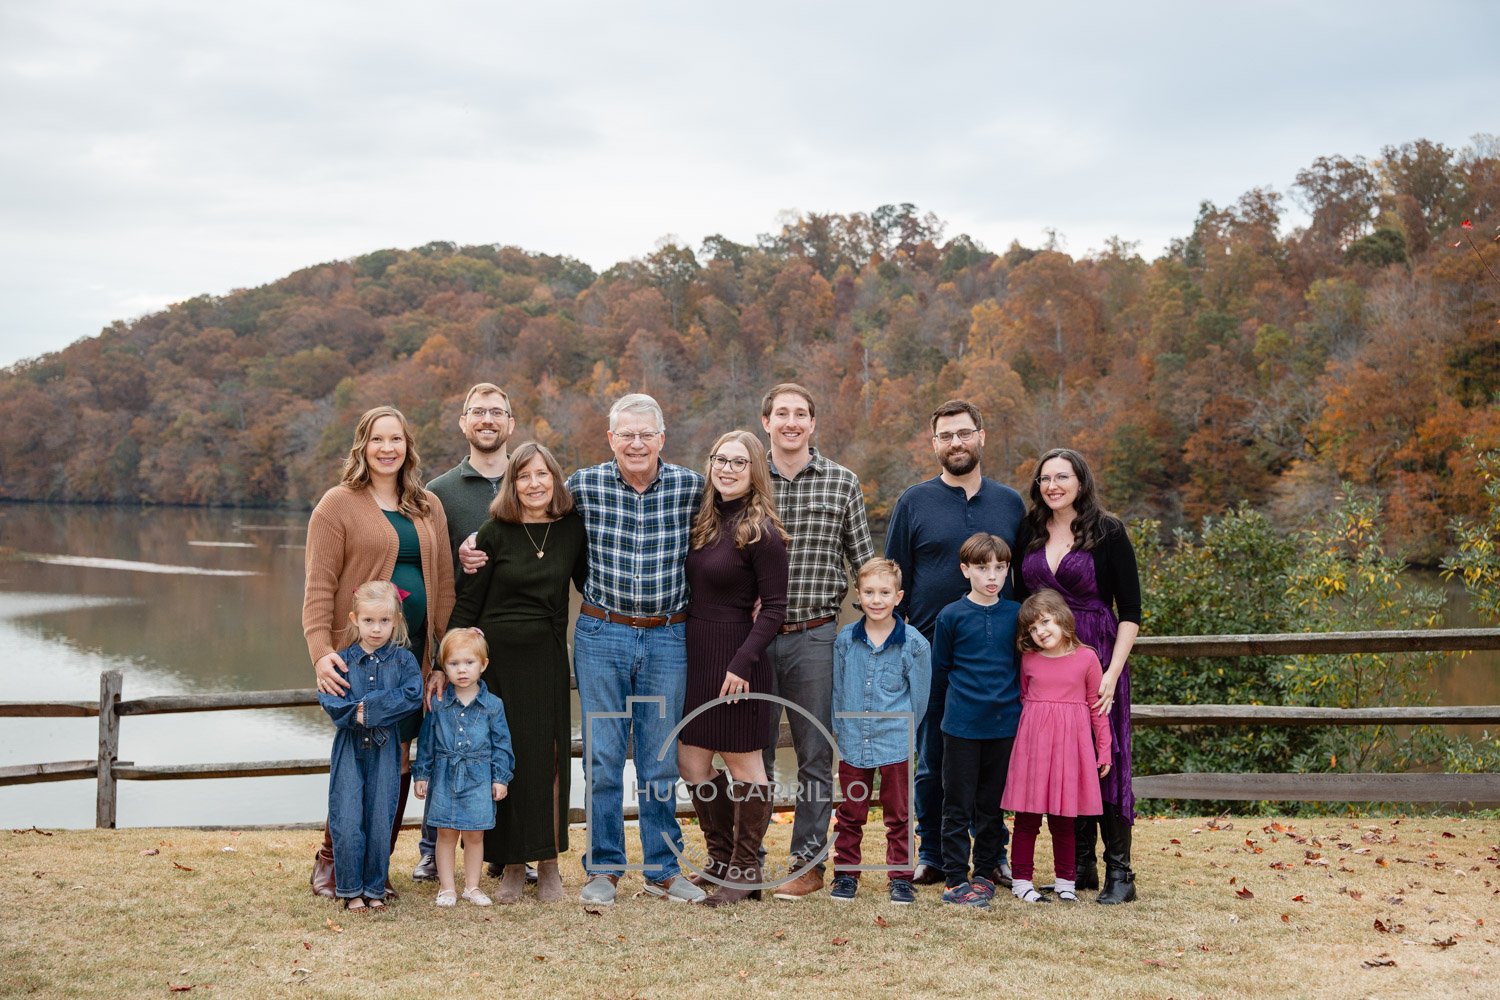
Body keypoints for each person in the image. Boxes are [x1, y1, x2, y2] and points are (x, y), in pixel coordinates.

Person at [307, 405, 455, 898]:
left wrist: (437, 660)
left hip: (409, 661)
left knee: (400, 760)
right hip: (359, 657)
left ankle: (376, 868)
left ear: (409, 447)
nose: (387, 448)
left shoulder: (428, 504)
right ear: (362, 446)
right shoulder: (338, 504)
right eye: (377, 440)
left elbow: (445, 588)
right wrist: (320, 650)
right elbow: (319, 585)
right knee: (357, 759)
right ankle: (331, 862)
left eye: (396, 439)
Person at [567, 393, 707, 906]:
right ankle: (603, 867)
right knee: (602, 757)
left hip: (670, 635)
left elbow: (731, 537)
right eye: (626, 434)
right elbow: (532, 523)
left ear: (662, 439)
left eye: (646, 434)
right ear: (610, 439)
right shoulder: (583, 486)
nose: (636, 443)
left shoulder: (692, 487)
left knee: (659, 759)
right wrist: (476, 549)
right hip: (602, 634)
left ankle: (663, 869)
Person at [884, 400, 1025, 887]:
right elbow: (894, 576)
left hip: (995, 654)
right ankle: (936, 854)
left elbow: (1021, 582)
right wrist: (898, 641)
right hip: (928, 653)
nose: (956, 443)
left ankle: (993, 854)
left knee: (993, 759)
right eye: (946, 436)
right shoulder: (914, 502)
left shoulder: (1008, 503)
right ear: (934, 444)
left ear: (982, 437)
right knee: (933, 758)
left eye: (964, 433)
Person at [447, 443, 587, 904]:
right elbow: (469, 602)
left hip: (546, 657)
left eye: (543, 474)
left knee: (547, 759)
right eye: (524, 475)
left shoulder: (571, 529)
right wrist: (445, 661)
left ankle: (548, 864)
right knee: (504, 759)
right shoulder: (495, 531)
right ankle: (510, 865)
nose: (534, 484)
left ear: (555, 479)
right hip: (497, 661)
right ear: (512, 482)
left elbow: (592, 584)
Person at [757, 383, 875, 901]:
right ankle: (744, 858)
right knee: (750, 752)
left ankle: (807, 864)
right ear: (765, 421)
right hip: (752, 641)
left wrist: (881, 624)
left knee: (813, 755)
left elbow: (864, 562)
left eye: (800, 414)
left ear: (812, 423)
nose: (790, 422)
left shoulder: (841, 483)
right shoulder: (743, 477)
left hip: (815, 634)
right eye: (781, 413)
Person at [1012, 447, 1141, 904]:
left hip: (1097, 655)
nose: (1053, 486)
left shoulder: (1108, 531)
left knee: (1108, 756)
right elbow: (1017, 600)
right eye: (1045, 478)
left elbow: (1130, 611)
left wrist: (1112, 671)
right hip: (1047, 656)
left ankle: (1119, 873)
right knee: (1064, 754)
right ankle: (1079, 866)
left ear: (1081, 482)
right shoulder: (1029, 530)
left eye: (1063, 477)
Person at [678, 430, 790, 907]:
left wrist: (742, 662)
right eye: (720, 459)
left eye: (738, 463)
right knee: (692, 761)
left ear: (754, 470)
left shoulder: (762, 531)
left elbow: (776, 609)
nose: (726, 469)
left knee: (746, 766)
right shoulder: (701, 520)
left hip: (739, 661)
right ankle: (721, 859)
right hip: (698, 654)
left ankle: (746, 870)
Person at [417, 382, 514, 884]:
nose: (487, 420)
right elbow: (431, 570)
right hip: (458, 640)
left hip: (514, 637)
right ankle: (432, 850)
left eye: (497, 412)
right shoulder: (439, 492)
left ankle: (504, 848)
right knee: (445, 732)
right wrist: (438, 654)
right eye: (478, 412)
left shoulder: (529, 483)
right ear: (464, 422)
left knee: (496, 738)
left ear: (510, 424)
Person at [827, 558, 929, 905]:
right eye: (869, 592)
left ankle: (900, 878)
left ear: (898, 596)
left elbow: (921, 697)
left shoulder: (914, 644)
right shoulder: (845, 640)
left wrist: (907, 734)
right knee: (850, 812)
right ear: (858, 594)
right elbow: (838, 689)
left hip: (895, 741)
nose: (876, 599)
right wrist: (840, 727)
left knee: (899, 814)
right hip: (854, 739)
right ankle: (845, 875)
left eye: (884, 593)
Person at [317, 581, 424, 911]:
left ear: (396, 621)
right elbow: (330, 699)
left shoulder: (404, 662)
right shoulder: (342, 660)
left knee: (380, 817)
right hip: (349, 747)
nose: (376, 629)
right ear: (354, 619)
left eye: (384, 622)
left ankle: (375, 887)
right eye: (368, 621)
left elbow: (412, 695)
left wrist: (369, 708)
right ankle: (350, 889)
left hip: (385, 749)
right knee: (347, 817)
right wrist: (355, 713)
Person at [1002, 591, 1112, 904]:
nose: (1041, 632)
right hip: (1033, 748)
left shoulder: (1087, 658)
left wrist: (1103, 749)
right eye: (1033, 629)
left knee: (1065, 817)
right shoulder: (1029, 659)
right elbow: (1025, 696)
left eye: (1046, 622)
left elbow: (1096, 706)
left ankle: (1066, 882)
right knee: (1027, 818)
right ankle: (1021, 881)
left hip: (1070, 748)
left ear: (1062, 619)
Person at [933, 533, 1021, 909]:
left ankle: (985, 872)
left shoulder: (1017, 614)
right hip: (962, 725)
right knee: (957, 802)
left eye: (1000, 568)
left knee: (991, 805)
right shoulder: (950, 616)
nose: (992, 576)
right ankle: (955, 876)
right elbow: (942, 669)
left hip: (1004, 725)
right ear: (965, 569)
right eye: (983, 568)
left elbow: (1022, 665)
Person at [413, 627, 516, 908]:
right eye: (453, 663)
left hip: (479, 776)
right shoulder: (438, 703)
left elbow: (501, 744)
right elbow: (427, 741)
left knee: (475, 833)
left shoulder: (493, 706)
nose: (461, 670)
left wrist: (500, 778)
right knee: (445, 833)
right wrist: (422, 774)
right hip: (445, 775)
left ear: (483, 665)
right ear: (444, 666)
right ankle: (447, 888)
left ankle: (472, 886)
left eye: (469, 663)